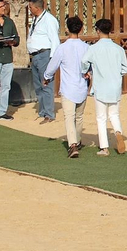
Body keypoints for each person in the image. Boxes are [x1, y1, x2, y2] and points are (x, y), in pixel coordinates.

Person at [43, 16, 91, 156]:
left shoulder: (62, 48)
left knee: (69, 117)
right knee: (79, 116)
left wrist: (46, 77)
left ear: (67, 29)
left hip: (68, 87)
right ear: (81, 29)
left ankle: (73, 145)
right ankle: (78, 140)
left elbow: (52, 66)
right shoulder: (86, 47)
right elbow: (90, 66)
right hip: (82, 86)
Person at [83, 18, 127, 155]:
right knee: (114, 114)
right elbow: (125, 69)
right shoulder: (118, 49)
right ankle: (118, 132)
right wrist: (116, 74)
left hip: (100, 86)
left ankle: (104, 147)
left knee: (101, 118)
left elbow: (84, 61)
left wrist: (86, 71)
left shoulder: (94, 48)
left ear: (98, 31)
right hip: (115, 86)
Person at [27, 0, 59, 123]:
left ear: (37, 8)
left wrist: (52, 60)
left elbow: (55, 41)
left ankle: (49, 114)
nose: (29, 9)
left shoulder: (49, 20)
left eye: (30, 7)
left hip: (44, 54)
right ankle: (42, 111)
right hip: (35, 56)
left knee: (46, 84)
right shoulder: (36, 19)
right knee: (38, 85)